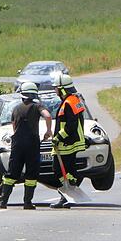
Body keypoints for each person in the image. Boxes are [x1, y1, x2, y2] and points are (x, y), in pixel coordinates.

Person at [0, 82, 52, 210]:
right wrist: (48, 131)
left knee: (12, 173)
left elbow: (14, 126)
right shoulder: (37, 106)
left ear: (22, 95)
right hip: (32, 143)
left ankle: (3, 202)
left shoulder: (16, 108)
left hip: (17, 143)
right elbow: (48, 116)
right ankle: (27, 202)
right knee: (31, 174)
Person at [50, 74, 87, 209]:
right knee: (69, 170)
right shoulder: (73, 100)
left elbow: (70, 125)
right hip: (71, 142)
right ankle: (69, 191)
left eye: (56, 88)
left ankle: (66, 194)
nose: (55, 91)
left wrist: (58, 137)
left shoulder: (68, 103)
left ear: (63, 89)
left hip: (66, 143)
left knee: (58, 169)